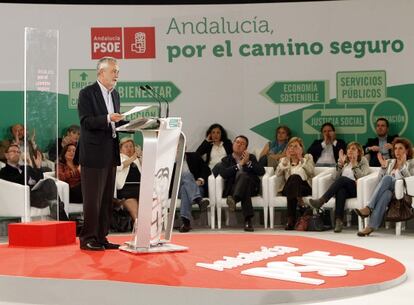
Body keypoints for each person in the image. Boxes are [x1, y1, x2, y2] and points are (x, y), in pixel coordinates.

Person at [77, 56, 126, 251]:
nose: (117, 75)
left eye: (117, 72)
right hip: (93, 153)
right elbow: (86, 121)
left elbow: (116, 122)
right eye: (113, 71)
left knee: (106, 199)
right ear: (101, 72)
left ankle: (101, 237)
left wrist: (134, 124)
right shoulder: (87, 93)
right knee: (92, 199)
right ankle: (88, 238)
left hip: (110, 151)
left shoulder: (115, 95)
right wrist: (107, 118)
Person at [355, 137, 414, 236]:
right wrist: (383, 168)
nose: (397, 151)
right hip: (390, 193)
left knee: (388, 178)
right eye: (395, 148)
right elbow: (379, 181)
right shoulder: (390, 162)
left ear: (407, 150)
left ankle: (369, 208)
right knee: (386, 193)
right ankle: (371, 226)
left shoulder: (412, 163)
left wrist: (403, 166)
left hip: (403, 193)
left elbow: (411, 182)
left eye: (400, 148)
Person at [309, 142, 370, 232]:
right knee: (341, 190)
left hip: (357, 188)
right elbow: (334, 178)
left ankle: (322, 200)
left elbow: (362, 176)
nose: (350, 150)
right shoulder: (345, 161)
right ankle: (339, 221)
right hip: (346, 189)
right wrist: (340, 164)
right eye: (349, 149)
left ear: (359, 152)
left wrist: (354, 164)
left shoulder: (363, 160)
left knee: (343, 179)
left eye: (353, 149)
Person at [0, 144, 68, 220]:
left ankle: (55, 207)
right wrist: (26, 167)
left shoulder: (25, 168)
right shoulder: (3, 172)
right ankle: (62, 218)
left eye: (18, 152)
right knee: (55, 201)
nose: (16, 153)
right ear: (6, 155)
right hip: (23, 197)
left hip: (37, 195)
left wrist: (38, 167)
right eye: (13, 151)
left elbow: (39, 180)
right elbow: (19, 183)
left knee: (49, 181)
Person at [217, 135, 265, 232]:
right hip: (233, 188)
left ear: (246, 148)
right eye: (237, 142)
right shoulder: (226, 160)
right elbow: (224, 173)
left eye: (242, 143)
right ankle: (248, 220)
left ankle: (235, 199)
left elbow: (261, 171)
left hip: (252, 188)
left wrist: (248, 163)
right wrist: (239, 165)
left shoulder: (251, 157)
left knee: (244, 179)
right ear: (233, 144)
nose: (239, 145)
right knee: (244, 180)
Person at [276, 137, 314, 230]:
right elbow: (277, 173)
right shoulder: (284, 160)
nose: (292, 148)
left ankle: (290, 220)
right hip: (288, 187)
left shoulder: (307, 157)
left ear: (301, 148)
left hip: (304, 187)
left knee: (295, 177)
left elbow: (311, 172)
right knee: (293, 180)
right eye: (290, 146)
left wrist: (301, 159)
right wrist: (285, 162)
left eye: (296, 146)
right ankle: (301, 203)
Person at [178, 151, 211, 233]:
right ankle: (199, 200)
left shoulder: (194, 156)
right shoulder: (169, 160)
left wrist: (200, 180)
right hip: (176, 191)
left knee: (184, 189)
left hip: (197, 188)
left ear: (184, 146)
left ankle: (186, 223)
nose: (178, 148)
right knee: (186, 175)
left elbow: (207, 169)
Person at [115, 138, 141, 223]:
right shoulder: (118, 158)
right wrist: (132, 158)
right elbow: (119, 167)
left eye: (131, 146)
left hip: (140, 188)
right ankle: (138, 224)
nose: (129, 149)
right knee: (131, 201)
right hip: (125, 189)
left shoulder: (137, 159)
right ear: (120, 149)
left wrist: (140, 157)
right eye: (126, 146)